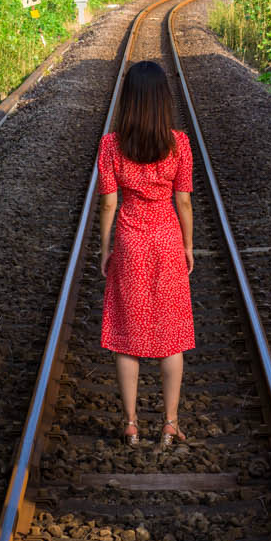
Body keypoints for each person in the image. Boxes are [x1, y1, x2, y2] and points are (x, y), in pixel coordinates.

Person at [95, 60, 196, 446]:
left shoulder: (111, 145)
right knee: (171, 334)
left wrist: (106, 248)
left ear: (129, 100)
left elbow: (107, 204)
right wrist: (187, 246)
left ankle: (131, 424)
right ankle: (170, 424)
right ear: (163, 101)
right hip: (168, 240)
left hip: (130, 240)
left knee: (126, 333)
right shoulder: (179, 144)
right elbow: (183, 201)